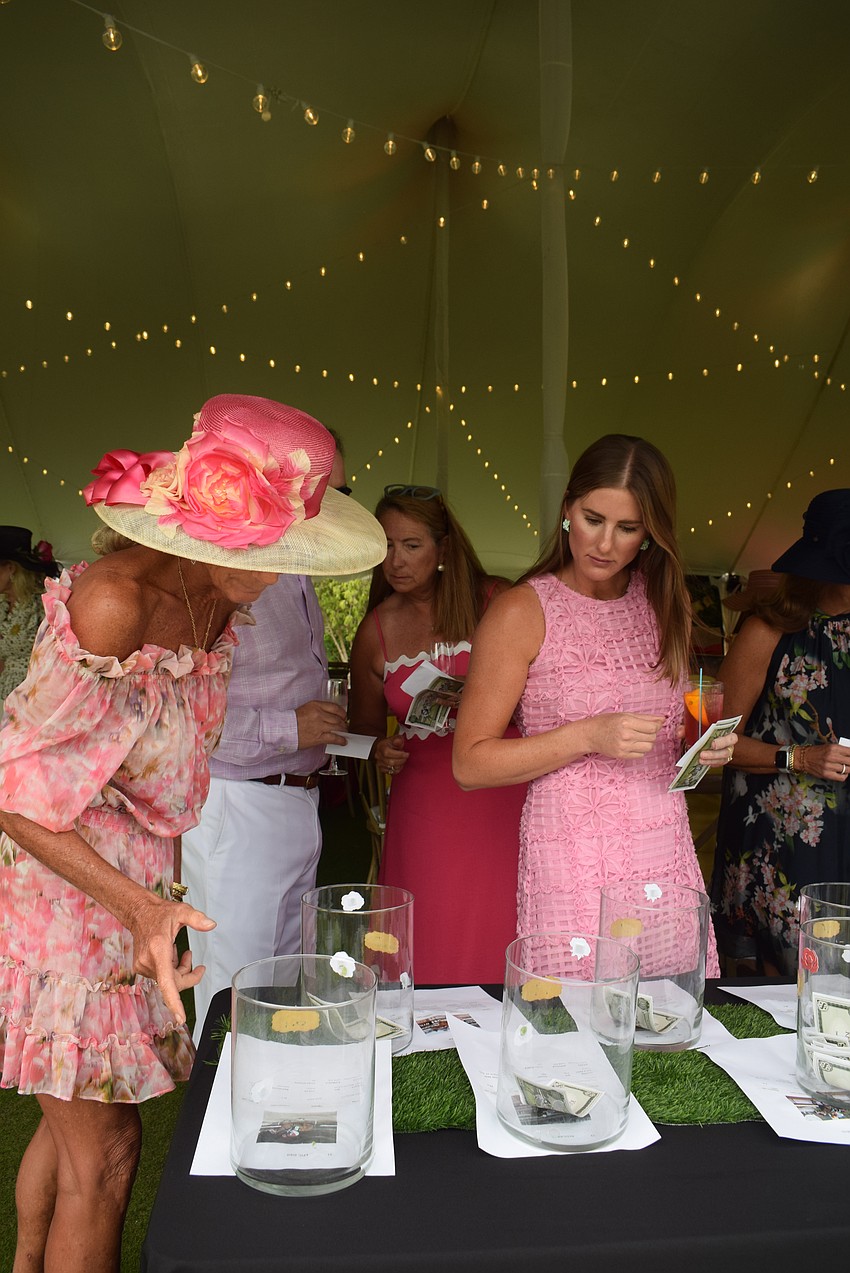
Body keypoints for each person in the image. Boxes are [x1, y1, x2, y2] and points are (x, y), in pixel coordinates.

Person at [0, 393, 385, 1273]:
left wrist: (155, 902)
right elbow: (14, 795)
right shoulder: (113, 605)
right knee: (106, 1154)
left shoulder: (220, 597)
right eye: (273, 549)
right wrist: (139, 907)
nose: (290, 569)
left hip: (135, 900)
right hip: (65, 901)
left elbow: (157, 781)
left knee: (75, 1137)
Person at [452, 434, 736, 974]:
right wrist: (587, 734)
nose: (604, 543)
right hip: (573, 850)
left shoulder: (662, 604)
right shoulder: (522, 611)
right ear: (566, 511)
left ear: (650, 534)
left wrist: (703, 746)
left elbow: (667, 731)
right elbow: (469, 763)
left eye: (627, 528)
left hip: (661, 838)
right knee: (577, 1020)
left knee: (669, 1020)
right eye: (592, 518)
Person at [181, 438, 351, 1043]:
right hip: (239, 802)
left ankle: (274, 1114)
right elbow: (185, 712)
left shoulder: (292, 564)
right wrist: (290, 727)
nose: (335, 507)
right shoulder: (217, 567)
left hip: (294, 798)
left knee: (285, 981)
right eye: (329, 494)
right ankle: (221, 1122)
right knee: (233, 987)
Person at [348, 484, 528, 984]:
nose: (395, 562)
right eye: (385, 546)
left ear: (444, 548)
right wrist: (380, 749)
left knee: (501, 915)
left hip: (503, 790)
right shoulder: (376, 629)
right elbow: (361, 732)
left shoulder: (497, 600)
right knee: (429, 920)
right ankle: (426, 1035)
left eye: (411, 545)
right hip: (426, 799)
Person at [710, 489, 850, 975]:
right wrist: (800, 758)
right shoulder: (770, 630)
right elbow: (711, 742)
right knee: (792, 978)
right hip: (782, 843)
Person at [0, 527, 60, 703]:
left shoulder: (42, 605)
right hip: (10, 696)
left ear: (10, 568)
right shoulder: (2, 607)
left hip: (41, 695)